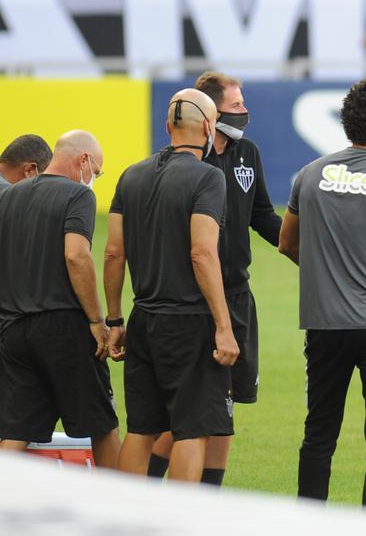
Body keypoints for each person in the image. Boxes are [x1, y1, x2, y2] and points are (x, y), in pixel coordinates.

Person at [278, 77, 366, 508]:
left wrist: (326, 273)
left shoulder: (309, 175)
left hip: (326, 323)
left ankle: (310, 520)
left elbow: (287, 243)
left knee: (319, 432)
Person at [144, 72, 281, 486]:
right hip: (192, 302)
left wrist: (306, 252)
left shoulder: (247, 152)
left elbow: (262, 215)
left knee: (224, 409)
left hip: (237, 296)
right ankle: (143, 495)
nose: (245, 112)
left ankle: (208, 499)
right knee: (187, 416)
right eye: (236, 106)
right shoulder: (182, 164)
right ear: (210, 114)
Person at [103, 89, 240, 482]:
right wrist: (224, 325)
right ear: (209, 129)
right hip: (189, 322)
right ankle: (179, 515)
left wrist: (115, 320)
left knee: (141, 429)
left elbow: (113, 253)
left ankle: (126, 512)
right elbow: (202, 253)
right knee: (192, 430)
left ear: (168, 127)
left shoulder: (131, 175)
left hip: (143, 317)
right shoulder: (208, 178)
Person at [0, 131, 119, 467]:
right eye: (96, 172)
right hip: (63, 327)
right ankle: (122, 498)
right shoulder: (77, 195)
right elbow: (76, 256)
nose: (94, 179)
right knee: (103, 425)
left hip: (14, 329)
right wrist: (96, 320)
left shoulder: (8, 196)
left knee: (17, 431)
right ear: (83, 160)